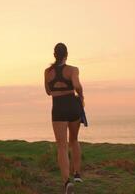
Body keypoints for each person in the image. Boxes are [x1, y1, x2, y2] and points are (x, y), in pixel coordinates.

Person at [44, 43, 84, 194]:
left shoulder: (47, 72)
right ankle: (78, 174)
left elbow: (48, 91)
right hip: (72, 105)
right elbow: (77, 86)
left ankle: (66, 181)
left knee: (61, 146)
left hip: (58, 108)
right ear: (66, 54)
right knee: (74, 140)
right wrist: (81, 97)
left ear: (54, 54)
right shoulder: (73, 70)